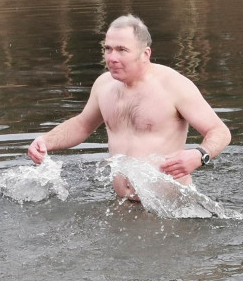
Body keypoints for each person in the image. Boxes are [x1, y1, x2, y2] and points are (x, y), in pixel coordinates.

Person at [27, 14, 231, 200]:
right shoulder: (103, 85)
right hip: (122, 203)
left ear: (145, 54)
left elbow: (219, 131)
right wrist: (46, 141)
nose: (112, 58)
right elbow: (82, 124)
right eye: (108, 49)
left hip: (171, 207)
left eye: (122, 50)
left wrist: (199, 155)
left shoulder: (174, 86)